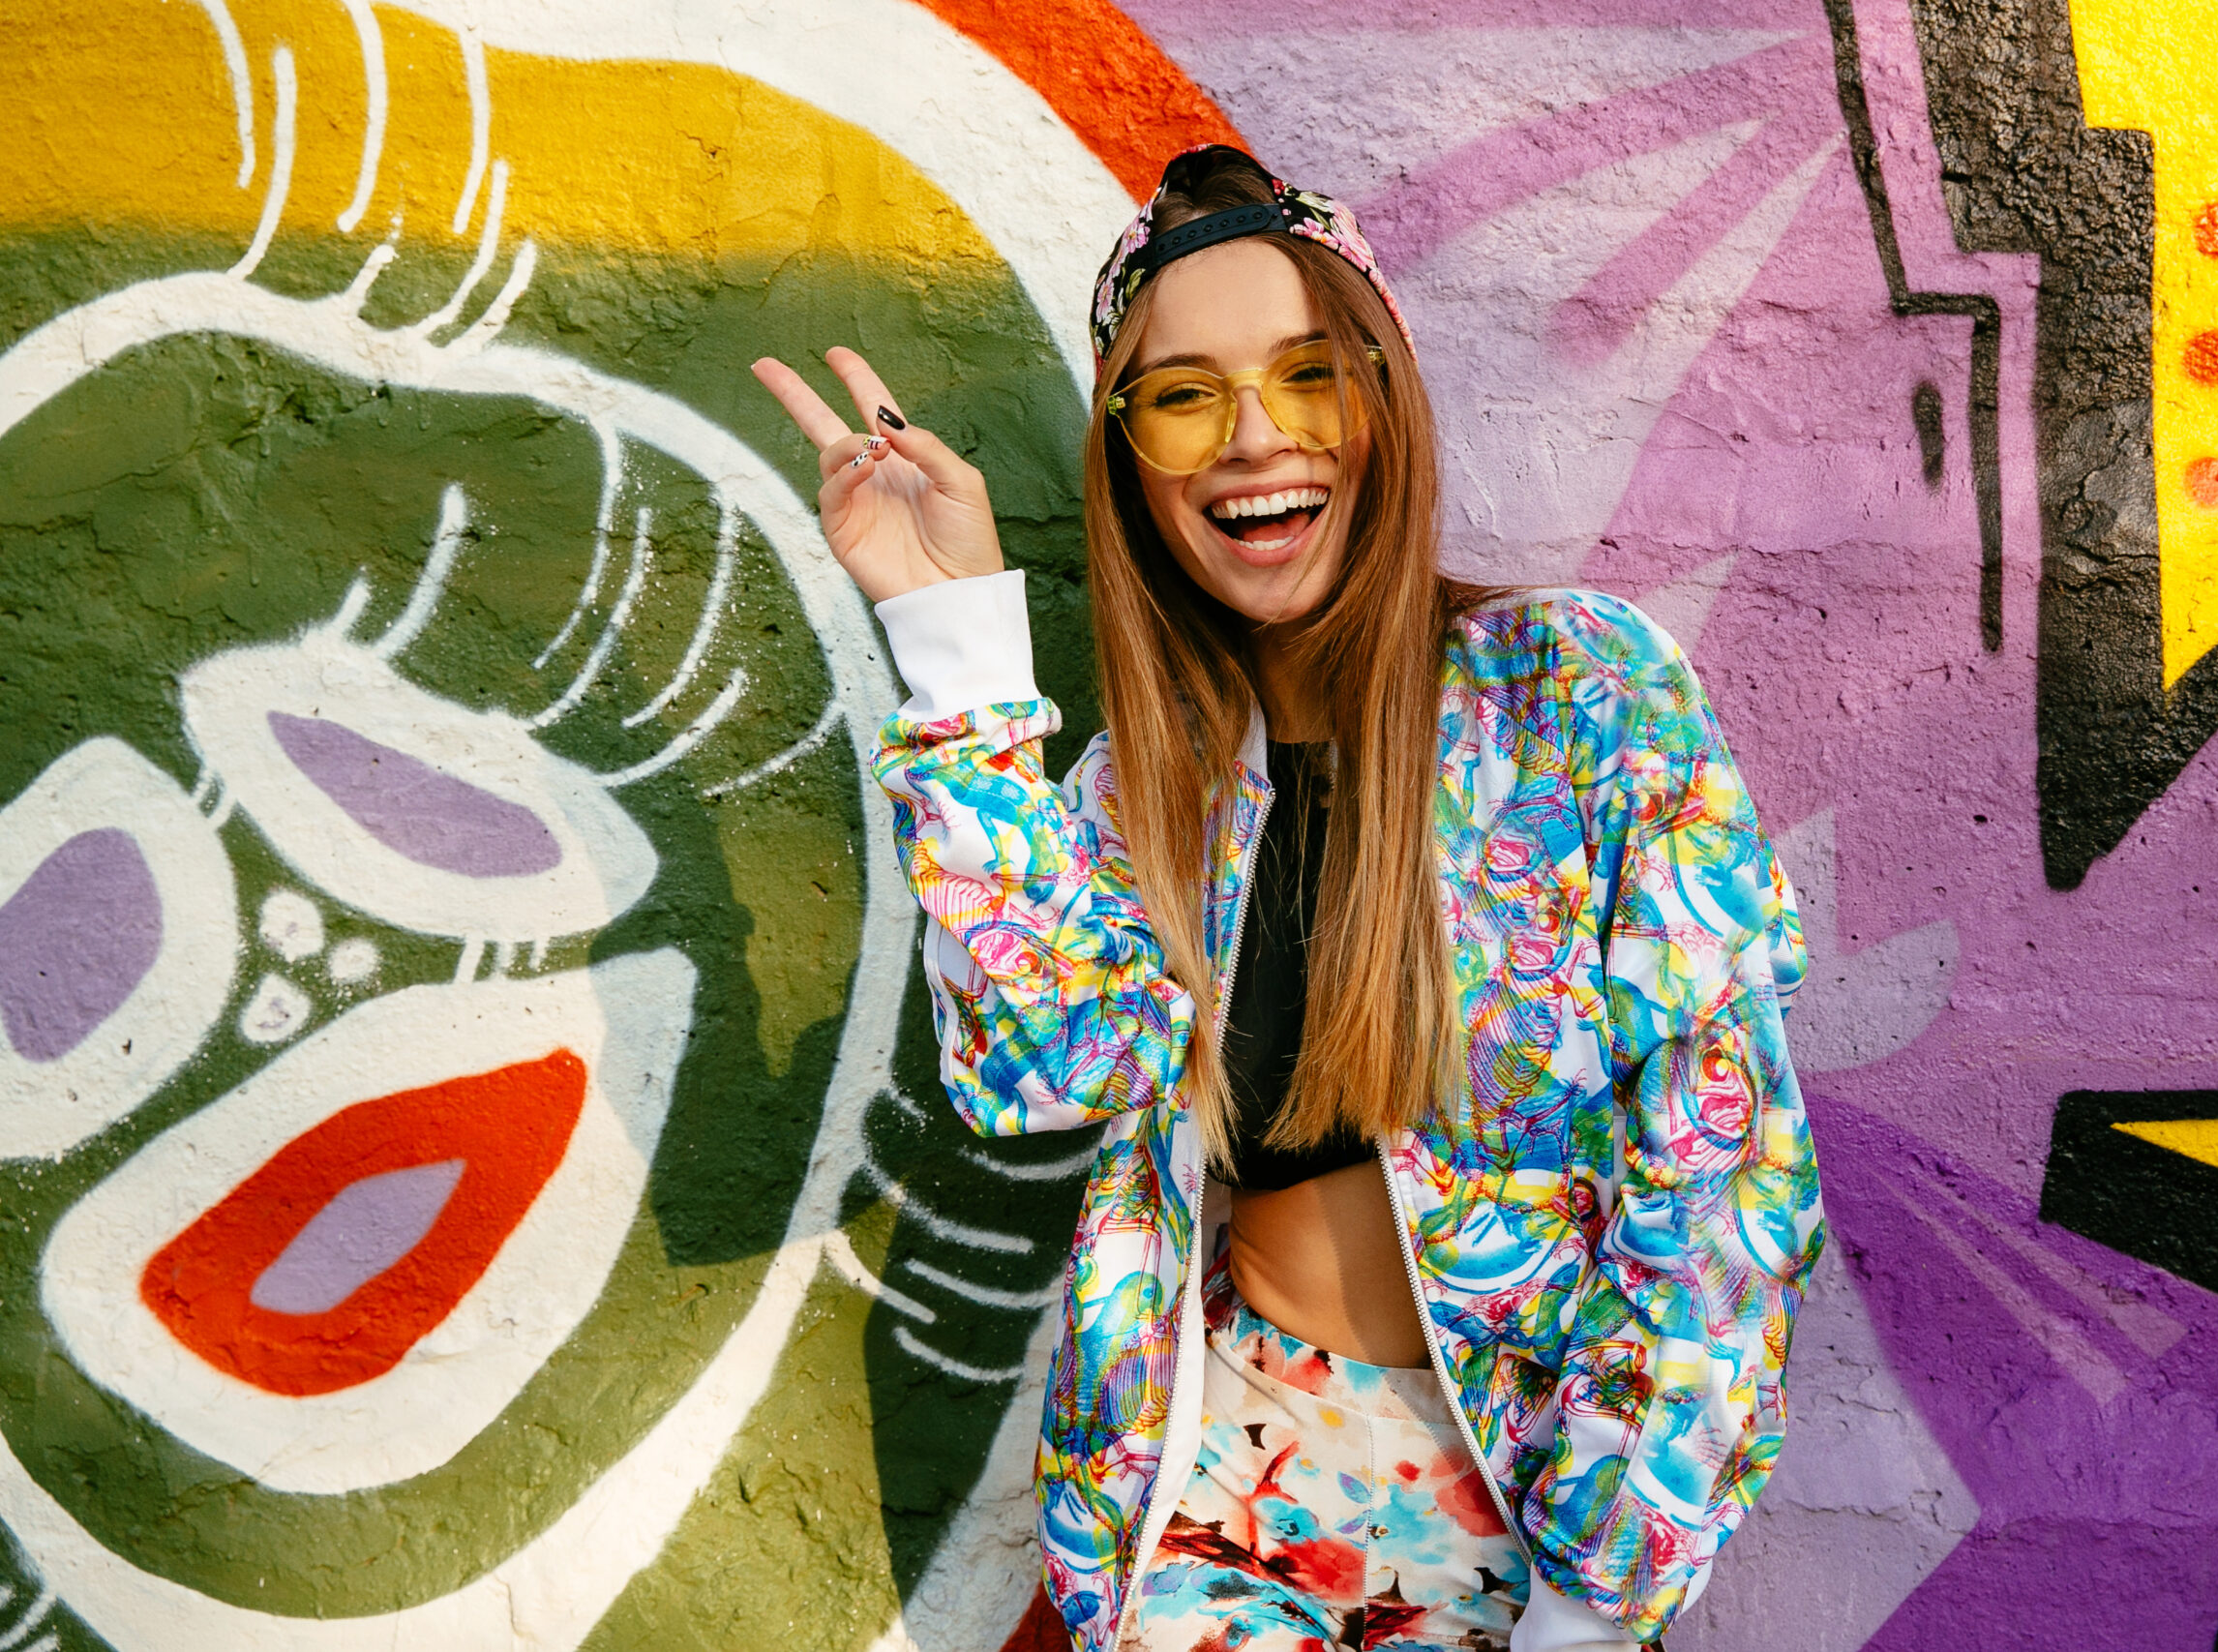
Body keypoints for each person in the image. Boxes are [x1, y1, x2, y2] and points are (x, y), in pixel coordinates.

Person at [754, 145, 1819, 1652]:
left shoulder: (1579, 693)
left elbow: (1728, 1179)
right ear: (1135, 456)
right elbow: (1039, 1074)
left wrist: (1593, 1603)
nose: (1256, 440)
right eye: (1187, 397)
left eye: (1308, 378)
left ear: (1377, 406)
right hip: (1208, 1508)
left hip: (1526, 1514)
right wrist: (956, 651)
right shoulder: (1148, 784)